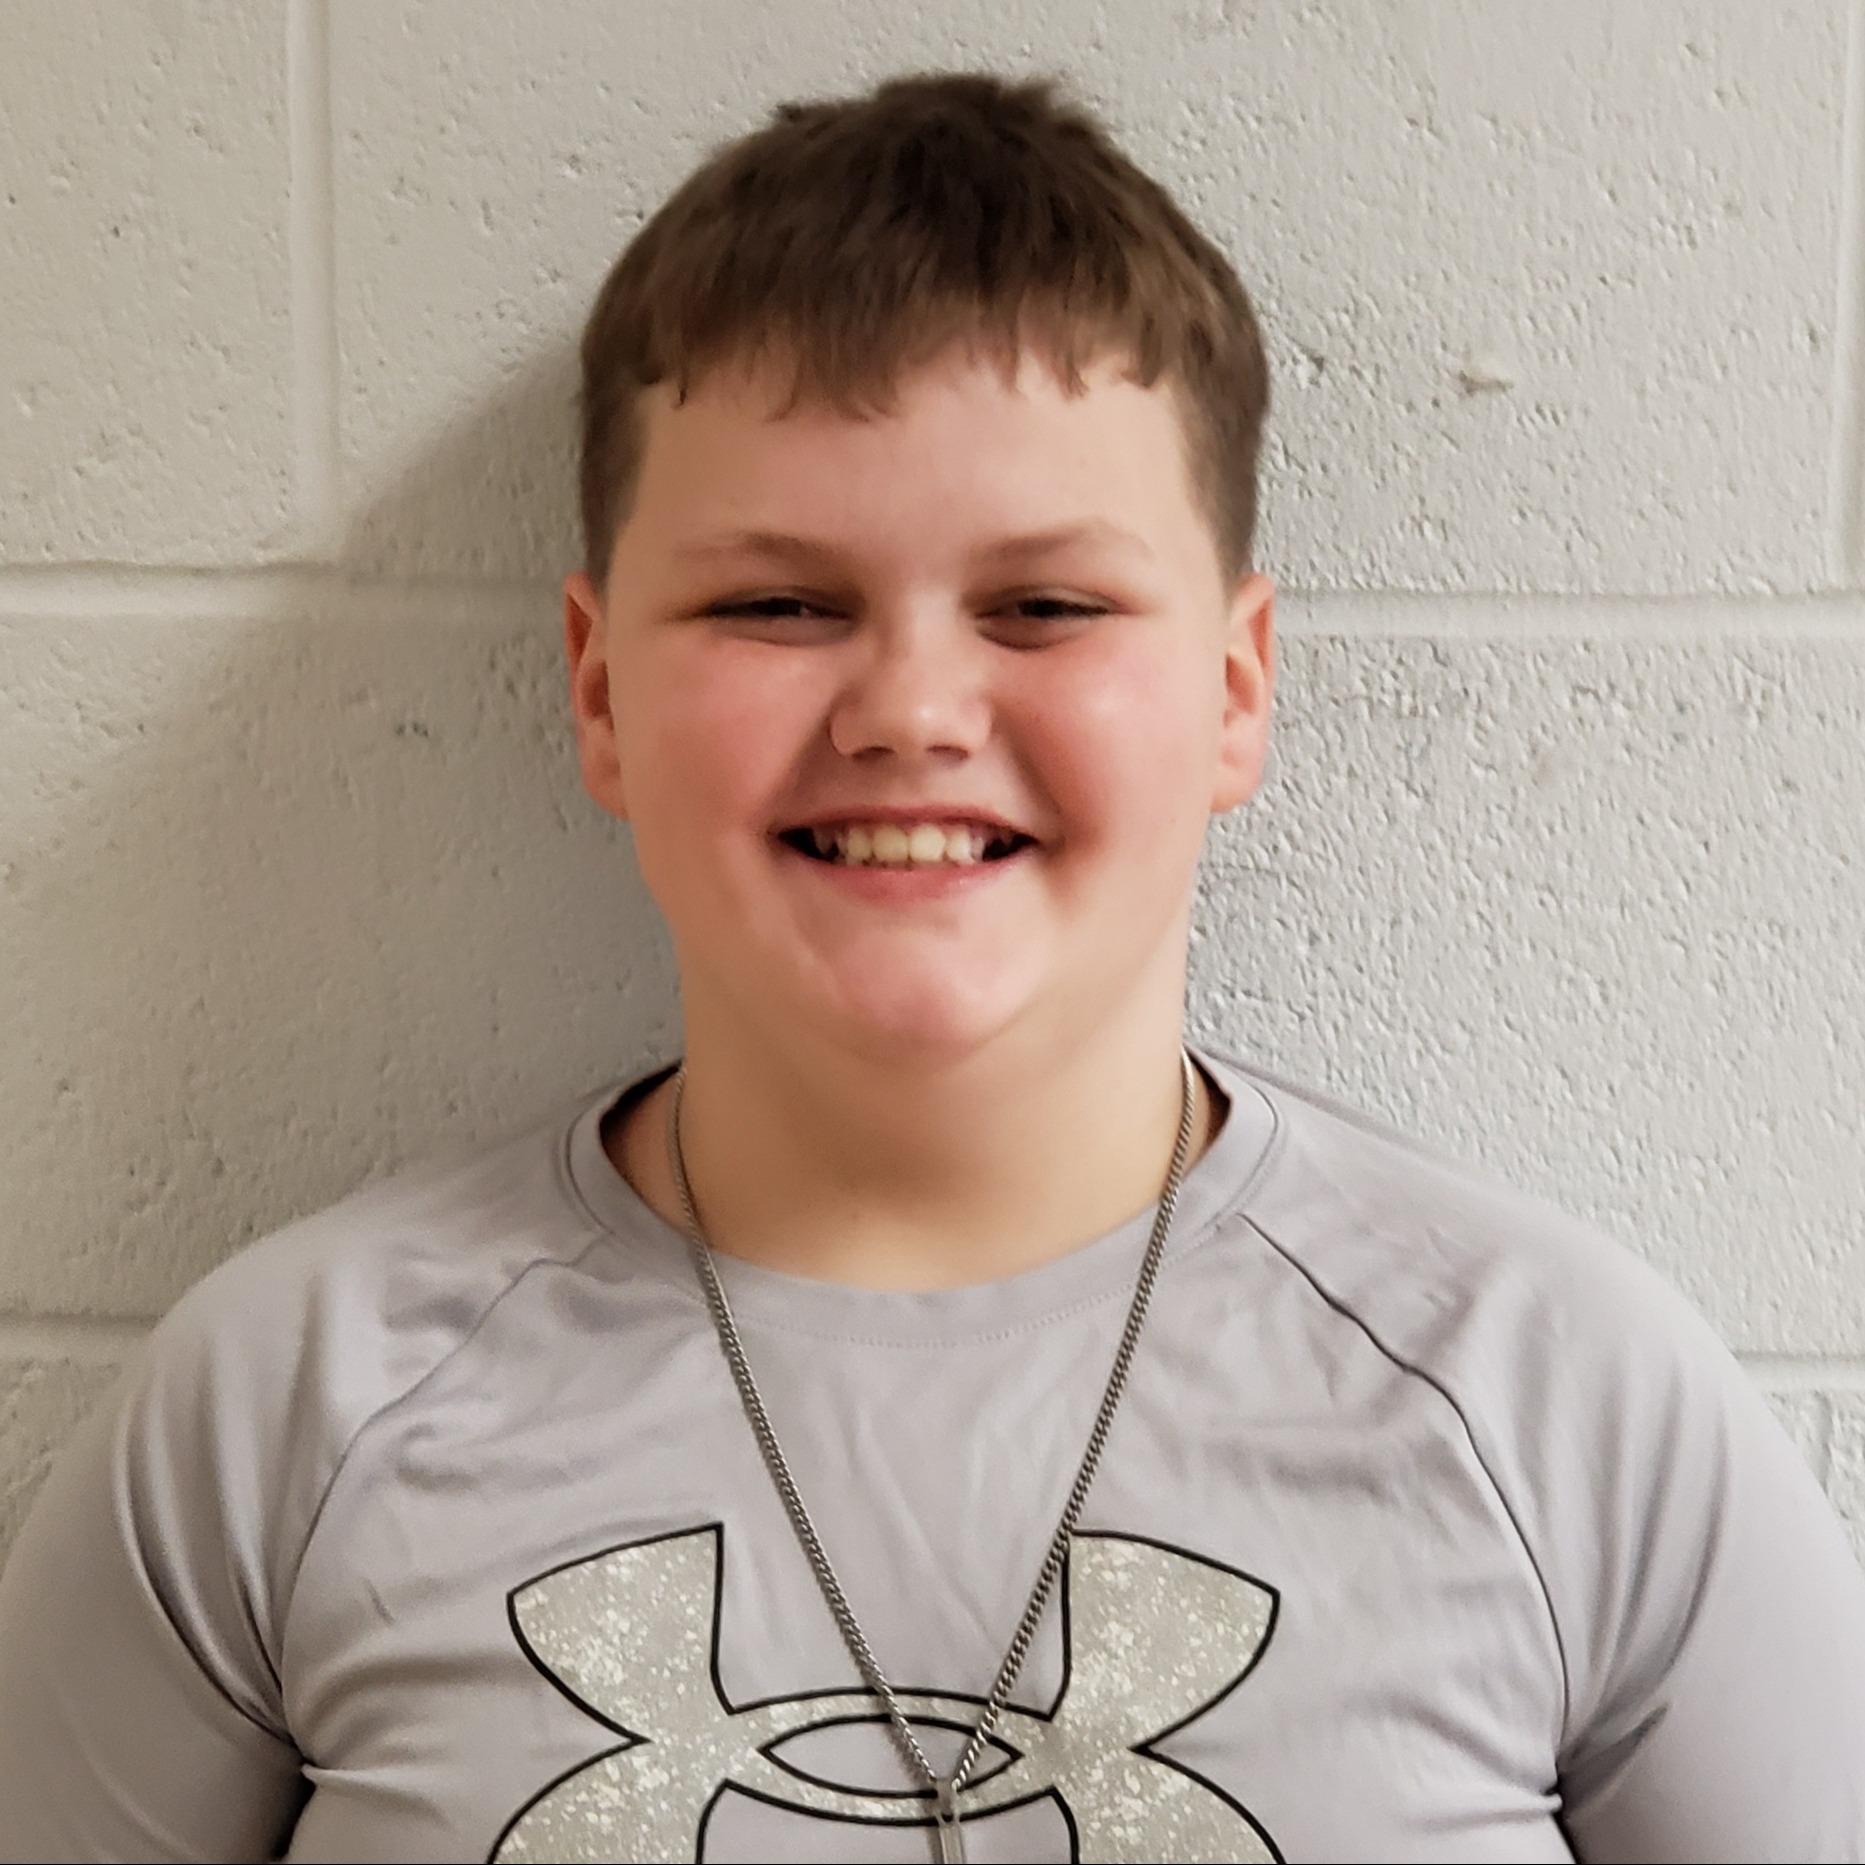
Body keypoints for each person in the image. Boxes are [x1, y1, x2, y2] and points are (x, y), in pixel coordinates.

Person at [2, 66, 1862, 1865]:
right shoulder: (281, 1415)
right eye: (775, 603)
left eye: (1044, 604)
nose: (908, 709)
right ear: (597, 691)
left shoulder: (1562, 1405)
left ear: (1232, 687)